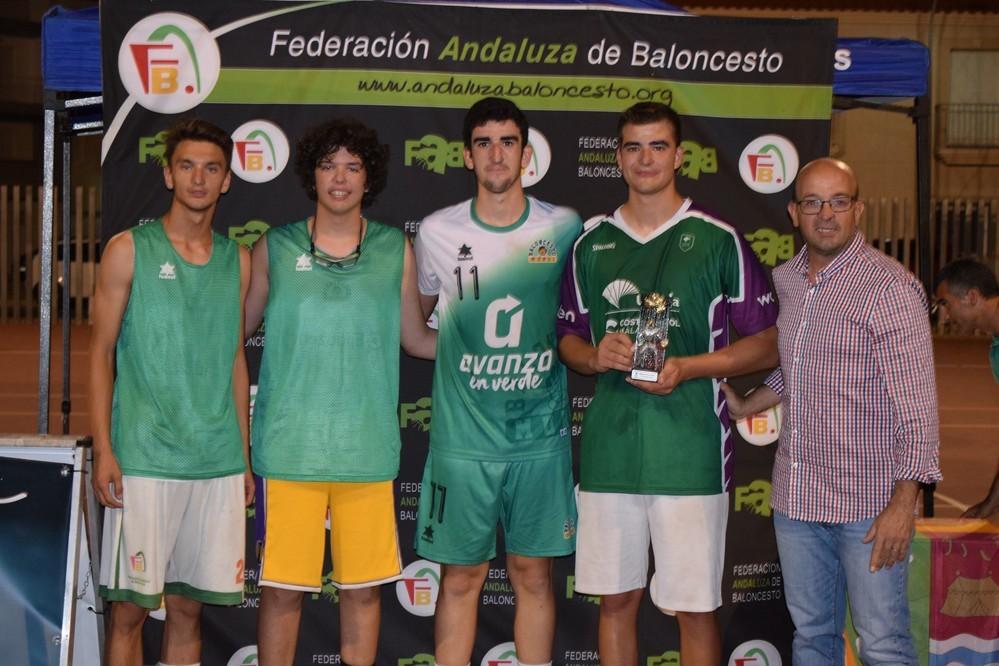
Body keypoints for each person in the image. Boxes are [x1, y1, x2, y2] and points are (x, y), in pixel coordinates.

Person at [557, 102, 779, 666]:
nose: (645, 158)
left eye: (658, 146)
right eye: (633, 147)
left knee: (694, 608)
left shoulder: (715, 238)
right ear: (618, 158)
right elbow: (567, 340)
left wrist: (689, 366)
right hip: (609, 451)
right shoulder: (591, 244)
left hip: (691, 452)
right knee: (615, 601)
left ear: (679, 155)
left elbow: (767, 342)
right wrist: (593, 355)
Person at [722, 157, 942, 664]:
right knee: (812, 637)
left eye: (838, 201)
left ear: (858, 209)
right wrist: (747, 403)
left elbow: (918, 407)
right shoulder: (789, 279)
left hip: (868, 507)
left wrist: (902, 505)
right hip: (798, 501)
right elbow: (801, 369)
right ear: (793, 212)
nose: (826, 214)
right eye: (814, 202)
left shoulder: (889, 289)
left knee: (882, 642)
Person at [246, 118, 436, 666]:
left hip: (366, 452)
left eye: (353, 166)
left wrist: (499, 345)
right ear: (312, 174)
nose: (340, 177)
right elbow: (230, 333)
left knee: (362, 591)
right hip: (288, 451)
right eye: (329, 165)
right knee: (281, 593)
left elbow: (418, 339)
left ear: (368, 178)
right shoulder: (275, 247)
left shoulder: (393, 247)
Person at [412, 97, 581, 666]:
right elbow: (418, 331)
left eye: (507, 141)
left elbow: (577, 325)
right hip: (464, 444)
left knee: (534, 575)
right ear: (466, 155)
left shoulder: (563, 227)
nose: (496, 153)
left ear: (526, 154)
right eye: (483, 142)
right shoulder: (437, 231)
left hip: (540, 440)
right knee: (459, 578)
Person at [90, 118, 253, 666]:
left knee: (187, 611)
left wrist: (244, 460)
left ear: (227, 180)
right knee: (130, 612)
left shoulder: (240, 260)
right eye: (187, 166)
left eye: (211, 168)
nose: (199, 178)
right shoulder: (128, 250)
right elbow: (100, 354)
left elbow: (235, 359)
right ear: (168, 174)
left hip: (216, 462)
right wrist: (106, 451)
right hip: (145, 459)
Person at [932, 258, 999, 520]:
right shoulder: (995, 349)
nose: (945, 317)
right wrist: (990, 504)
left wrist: (991, 504)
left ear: (972, 297)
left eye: (946, 304)